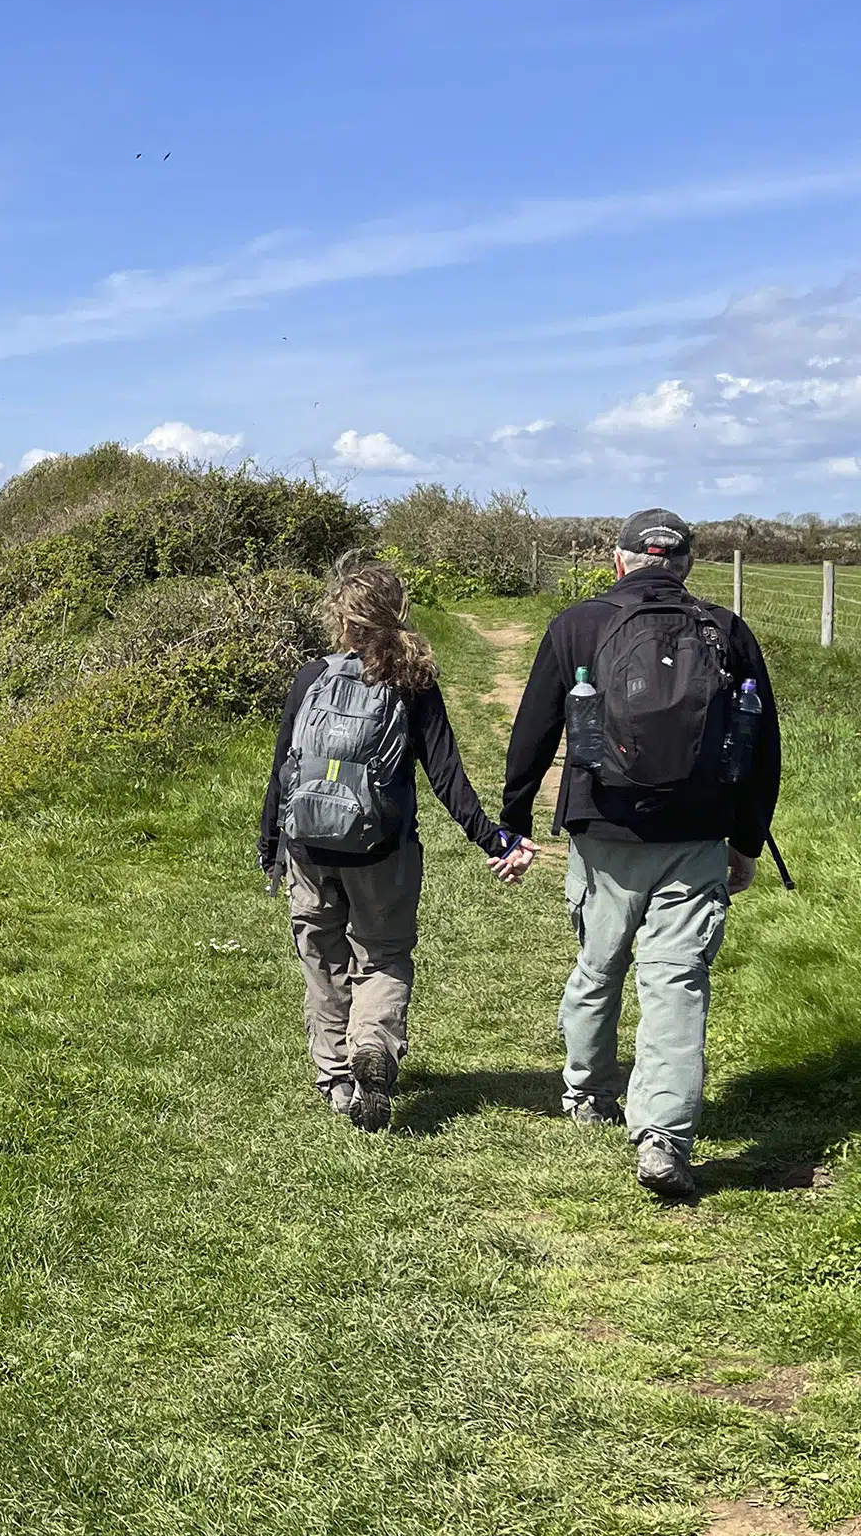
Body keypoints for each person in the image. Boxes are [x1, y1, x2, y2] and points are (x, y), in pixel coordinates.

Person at [500, 509, 781, 1199]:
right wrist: (745, 843)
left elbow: (533, 727)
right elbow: (763, 749)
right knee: (676, 978)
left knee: (599, 962)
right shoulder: (726, 629)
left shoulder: (578, 625)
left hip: (603, 828)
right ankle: (663, 1135)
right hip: (697, 831)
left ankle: (588, 1092)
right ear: (685, 565)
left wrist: (514, 818)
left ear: (619, 559)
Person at [261, 559, 536, 1129]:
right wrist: (494, 838)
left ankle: (337, 1078)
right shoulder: (412, 681)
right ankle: (374, 1049)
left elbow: (282, 771)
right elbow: (445, 772)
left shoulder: (311, 677)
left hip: (307, 847)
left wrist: (271, 845)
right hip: (381, 848)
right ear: (397, 613)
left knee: (322, 957)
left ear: (343, 619)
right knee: (382, 953)